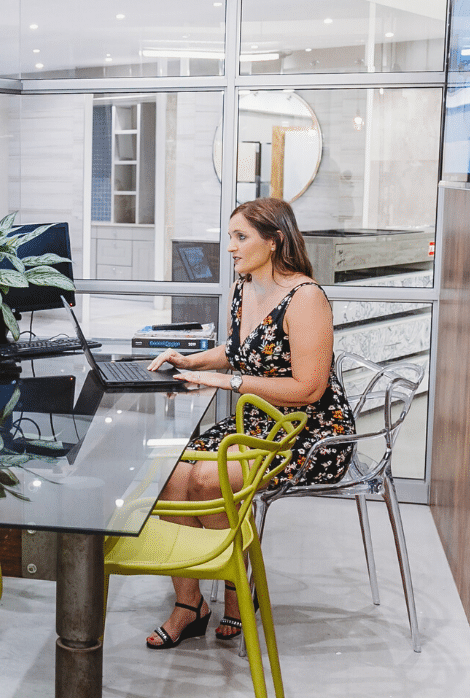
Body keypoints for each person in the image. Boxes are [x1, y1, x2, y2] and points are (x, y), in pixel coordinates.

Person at [144, 197, 355, 648]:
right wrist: (192, 361)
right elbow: (238, 350)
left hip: (308, 429)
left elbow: (309, 388)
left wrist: (228, 381)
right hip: (257, 419)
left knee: (209, 479)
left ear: (274, 240)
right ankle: (190, 604)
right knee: (169, 475)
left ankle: (238, 592)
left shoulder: (305, 297)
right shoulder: (244, 287)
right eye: (231, 237)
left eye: (241, 237)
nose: (231, 248)